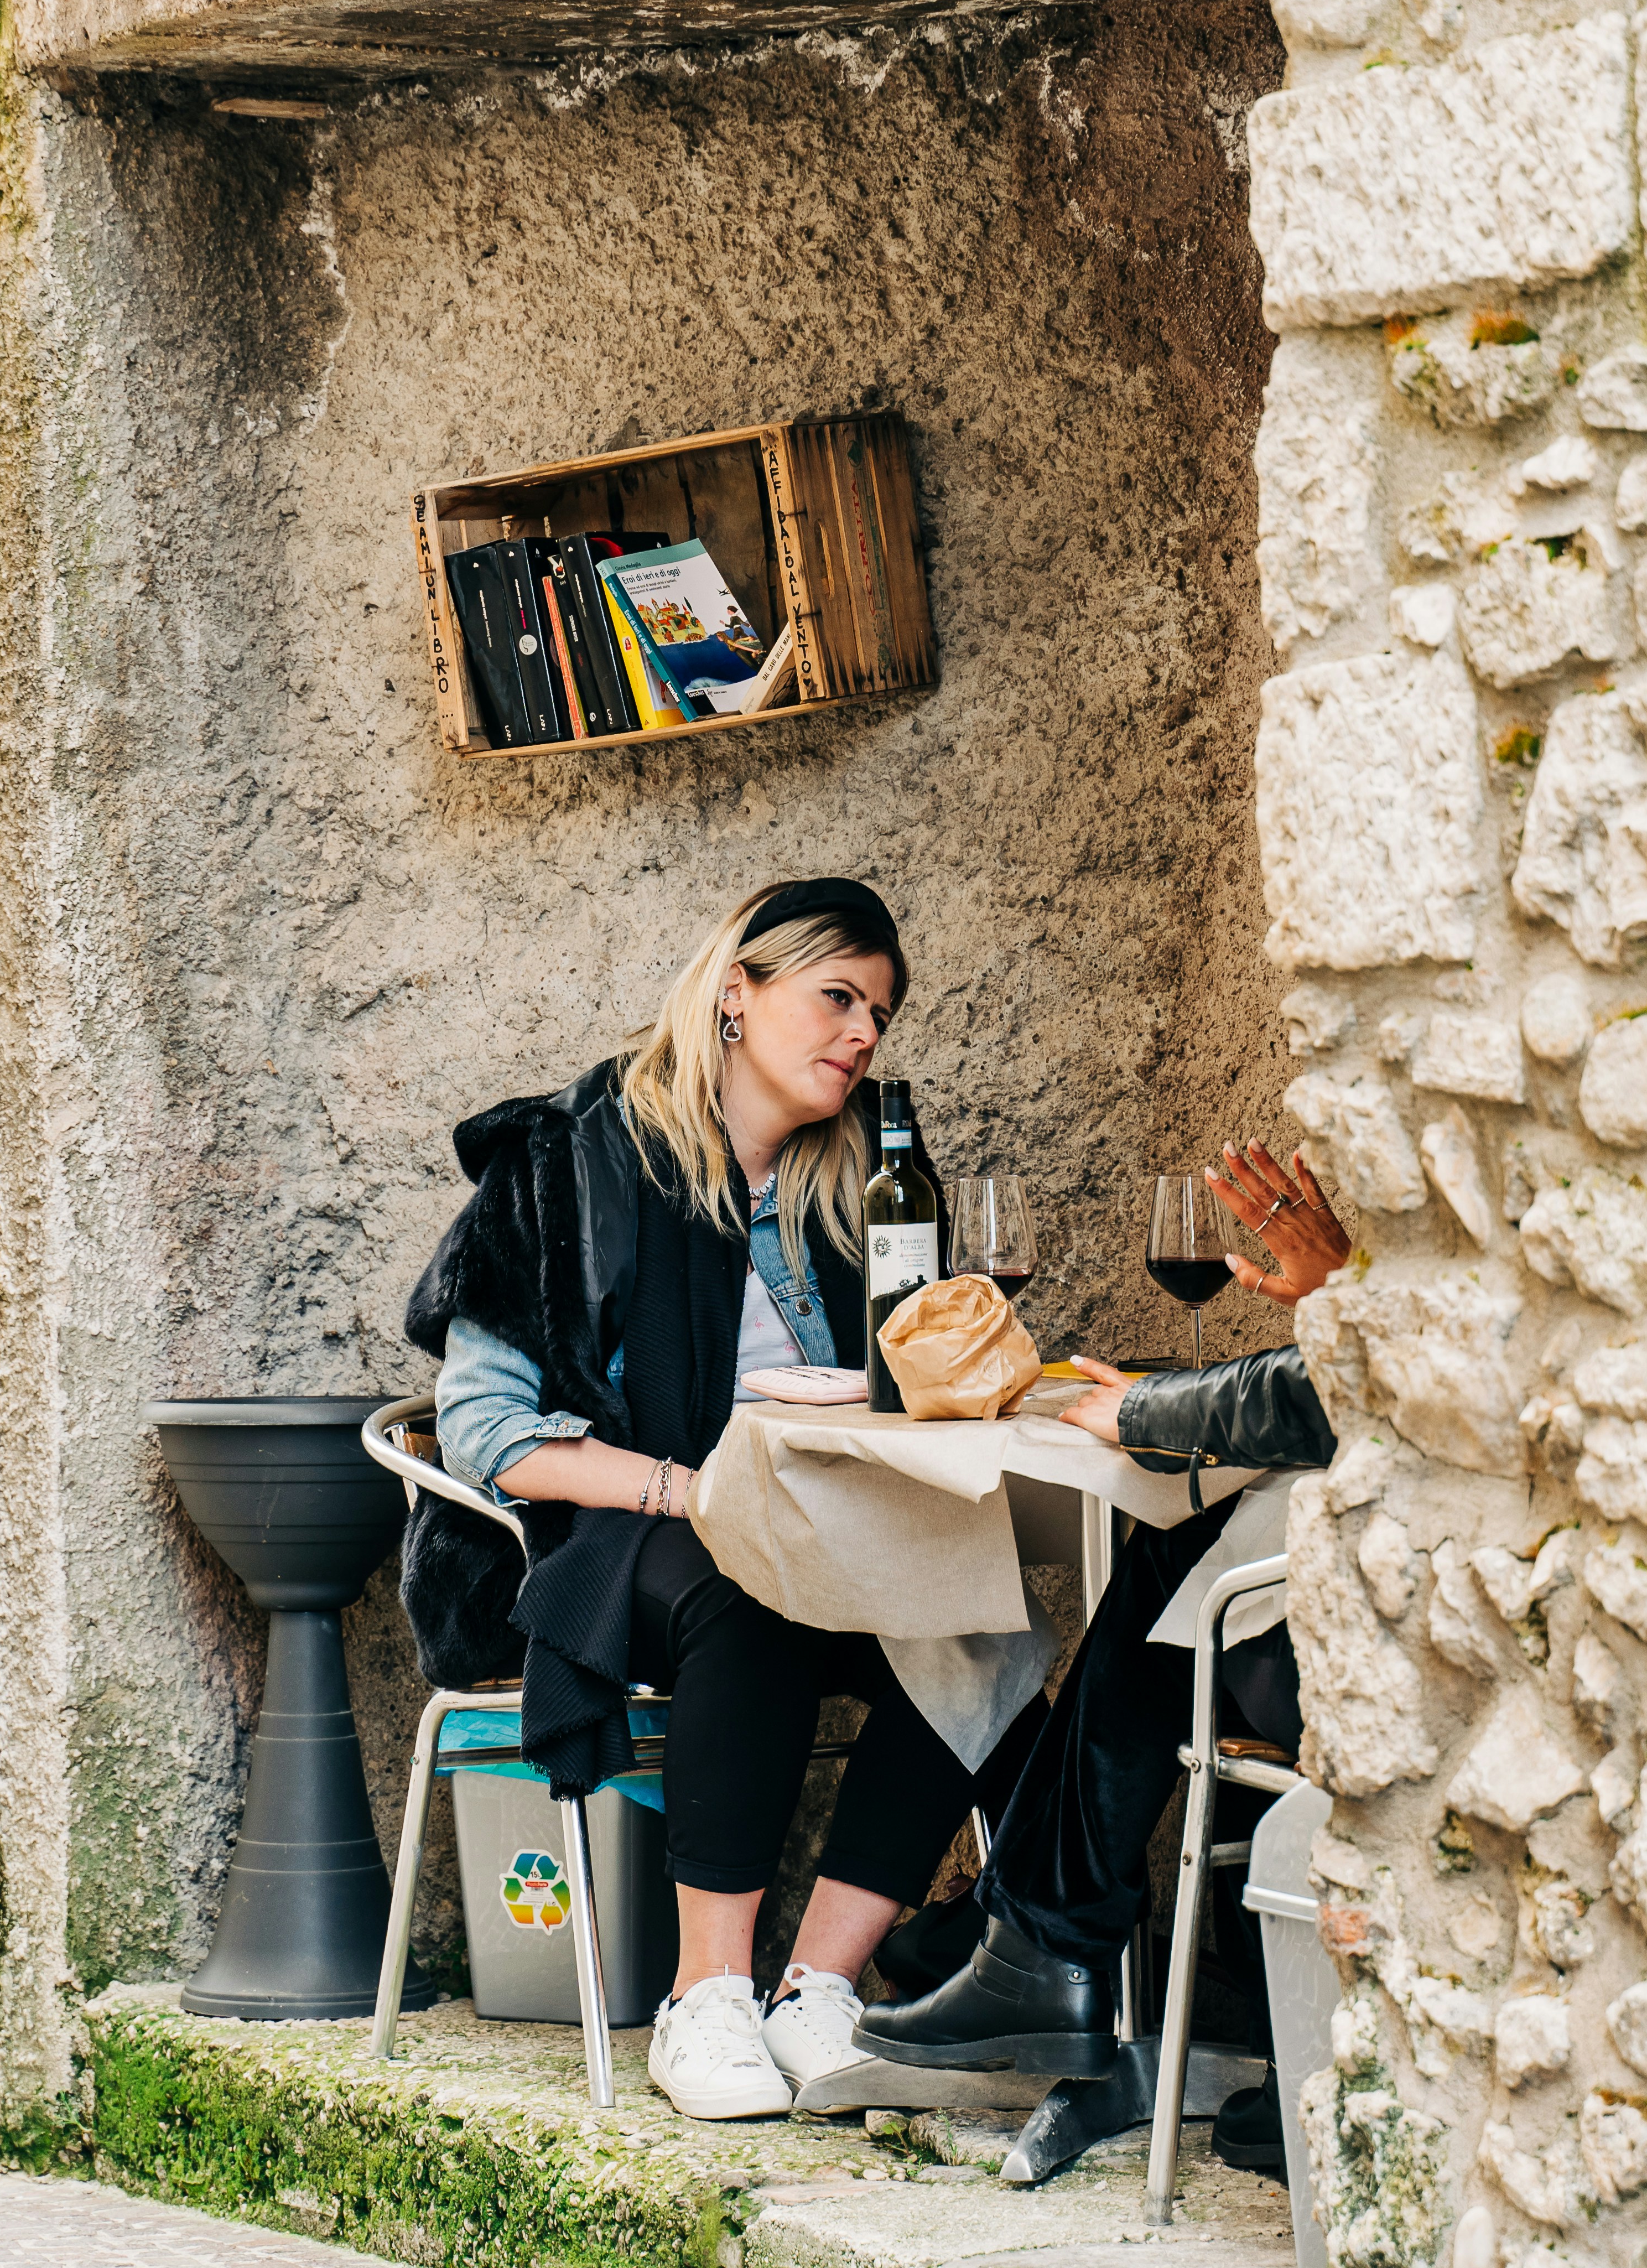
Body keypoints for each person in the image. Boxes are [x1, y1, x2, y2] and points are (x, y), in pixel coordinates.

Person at [402, 875, 1043, 2127]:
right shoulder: (571, 1160)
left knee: (979, 1619)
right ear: (738, 995)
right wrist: (686, 1491)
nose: (862, 1035)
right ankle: (705, 2000)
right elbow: (485, 1432)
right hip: (606, 1538)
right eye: (837, 997)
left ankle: (818, 1993)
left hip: (809, 1524)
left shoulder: (850, 1190)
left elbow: (895, 1388)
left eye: (880, 1014)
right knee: (740, 1596)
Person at [848, 1143, 1349, 2169]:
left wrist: (1145, 1410)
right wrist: (1348, 1298)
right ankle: (1043, 1946)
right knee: (1193, 1557)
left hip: (1369, 1656)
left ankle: (1035, 1947)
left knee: (1191, 1569)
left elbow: (1330, 1388)